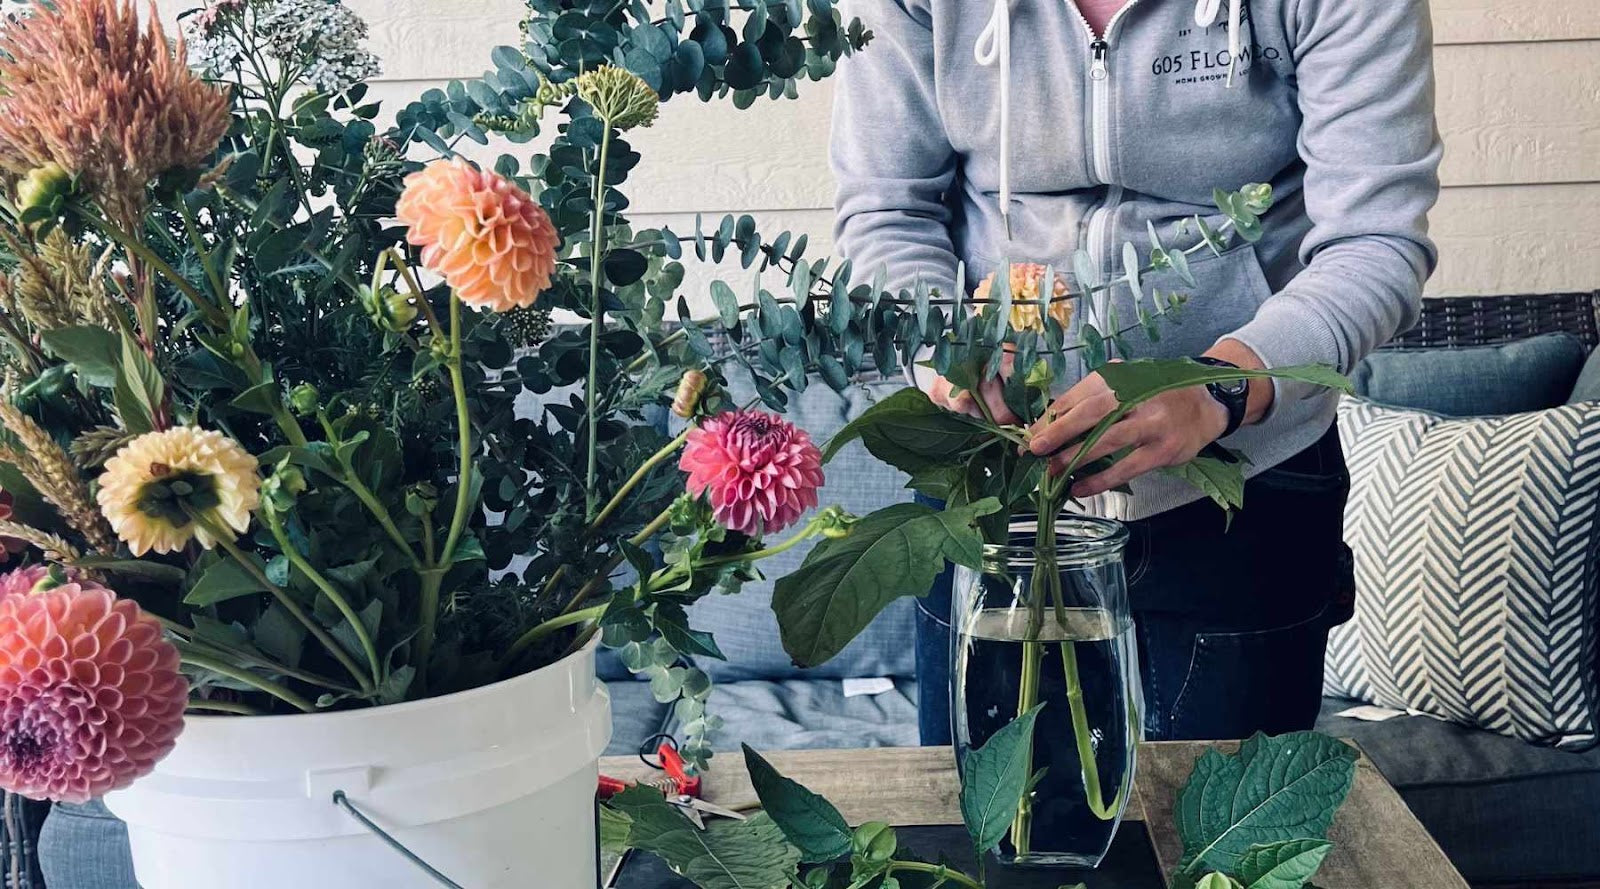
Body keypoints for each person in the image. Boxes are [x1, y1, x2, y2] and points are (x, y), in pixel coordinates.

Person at [830, 0, 1442, 742]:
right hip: (989, 484)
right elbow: (887, 211)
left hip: (1245, 485)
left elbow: (1375, 243)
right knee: (985, 814)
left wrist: (1218, 385)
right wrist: (944, 350)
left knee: (1234, 817)